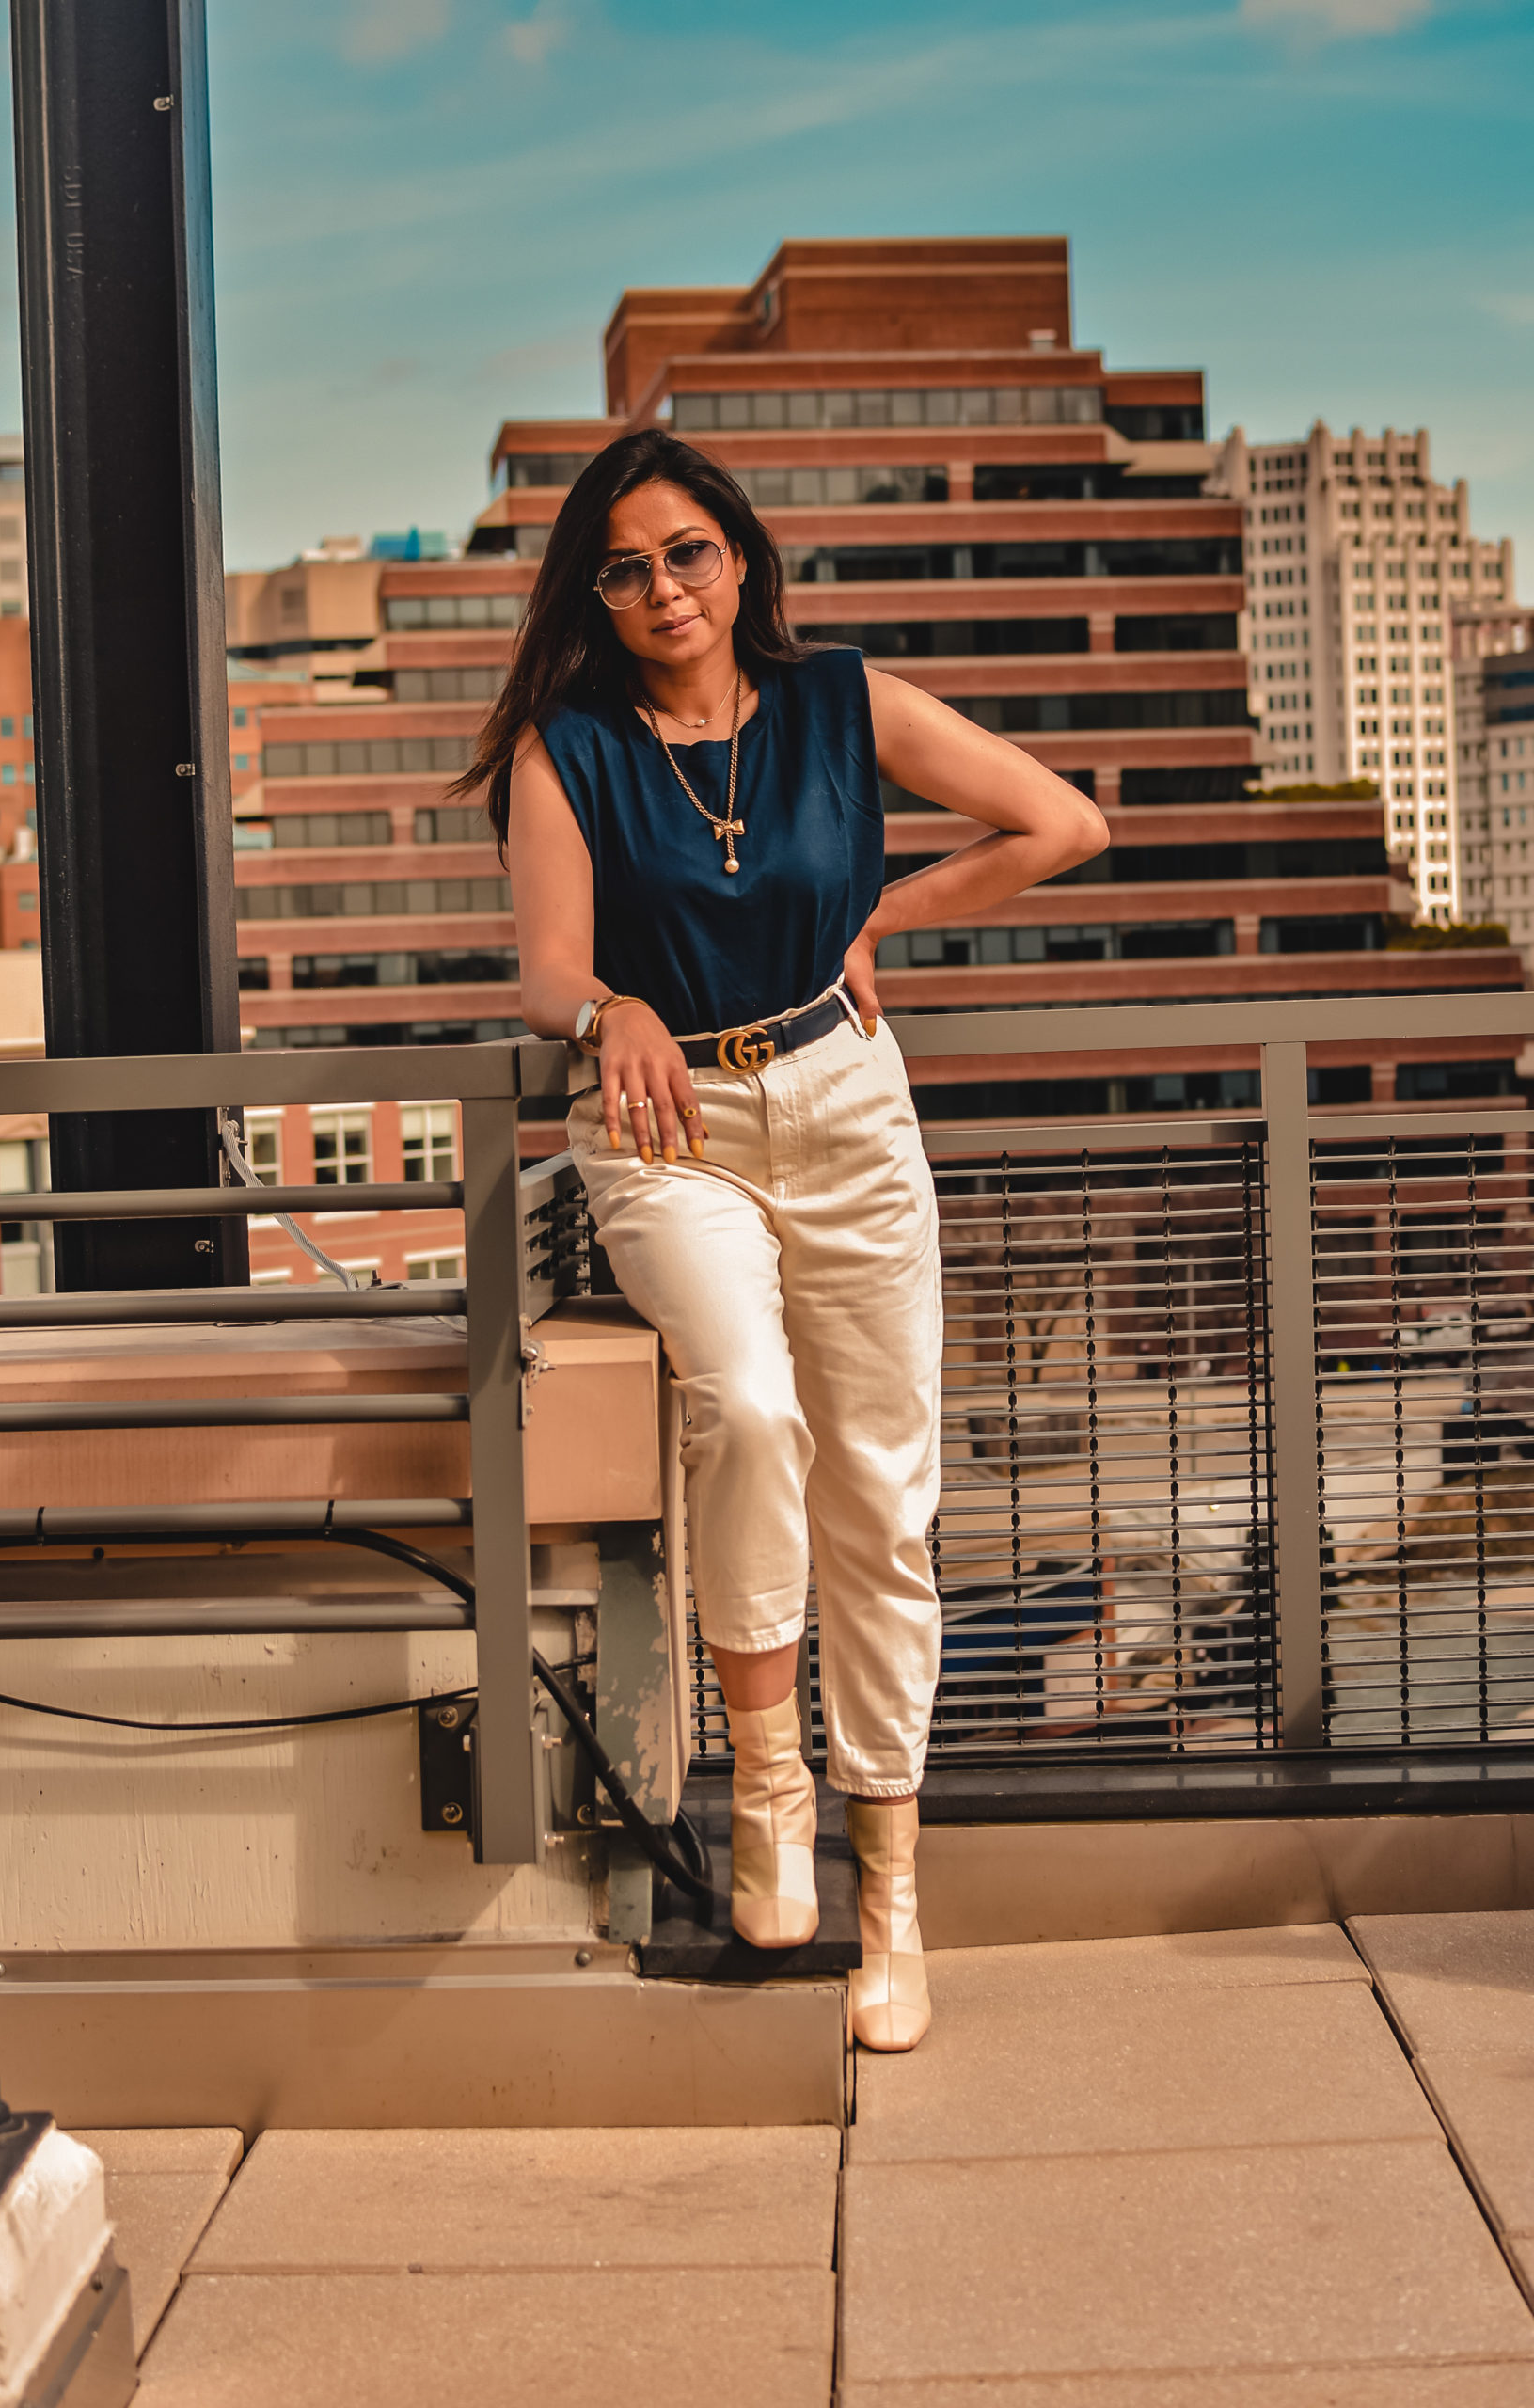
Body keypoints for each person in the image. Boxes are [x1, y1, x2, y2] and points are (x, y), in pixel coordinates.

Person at [458, 429, 1107, 2052]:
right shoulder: (570, 749)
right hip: (669, 1134)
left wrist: (885, 915)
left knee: (883, 1490)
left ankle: (889, 1896)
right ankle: (767, 1786)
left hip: (845, 1103)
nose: (662, 587)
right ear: (591, 595)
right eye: (624, 566)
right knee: (746, 1408)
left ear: (739, 558)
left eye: (687, 551)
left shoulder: (844, 706)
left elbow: (1058, 823)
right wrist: (613, 1006)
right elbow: (545, 972)